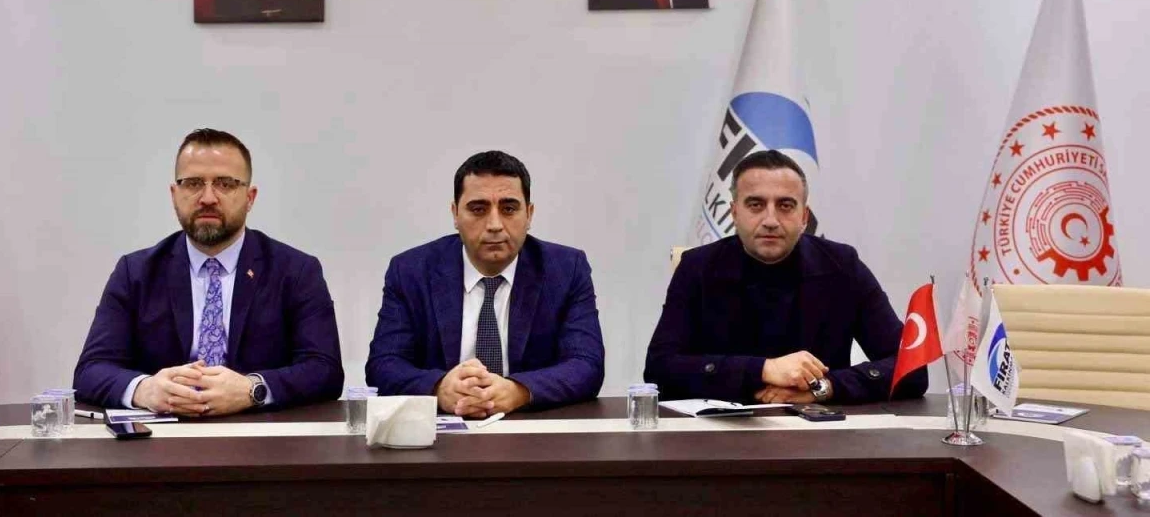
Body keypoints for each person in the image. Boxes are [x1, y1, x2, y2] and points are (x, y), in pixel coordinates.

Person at [73, 129, 343, 415]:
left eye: (225, 184)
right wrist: (145, 389)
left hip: (260, 433)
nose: (208, 198)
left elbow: (325, 370)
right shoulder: (136, 272)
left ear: (250, 197)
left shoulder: (296, 271)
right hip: (162, 433)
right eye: (193, 183)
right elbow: (91, 370)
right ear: (174, 195)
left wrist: (253, 389)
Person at [644, 150, 927, 404]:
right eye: (756, 205)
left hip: (820, 433)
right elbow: (658, 369)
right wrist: (763, 370)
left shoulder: (843, 266)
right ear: (734, 213)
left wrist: (825, 387)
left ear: (804, 216)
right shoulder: (697, 267)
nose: (770, 220)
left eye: (785, 205)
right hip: (720, 434)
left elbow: (912, 368)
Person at [366, 151, 604, 417]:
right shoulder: (411, 271)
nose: (494, 225)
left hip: (530, 429)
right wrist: (439, 388)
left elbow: (586, 365)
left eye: (509, 209)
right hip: (441, 431)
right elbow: (383, 366)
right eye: (478, 209)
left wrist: (518, 391)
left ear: (529, 214)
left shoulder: (566, 269)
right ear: (455, 214)